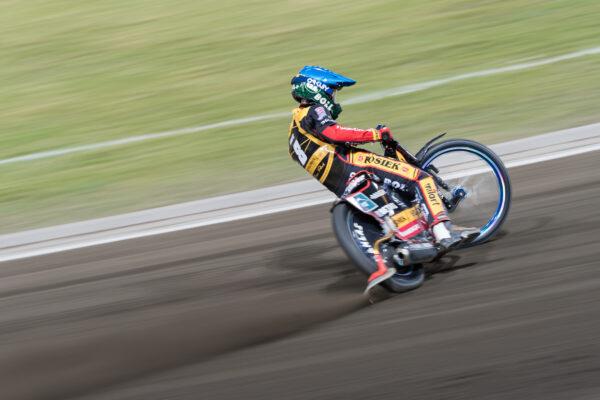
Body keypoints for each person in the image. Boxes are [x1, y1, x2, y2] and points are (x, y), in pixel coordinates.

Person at [289, 65, 478, 289]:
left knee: (390, 204)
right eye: (332, 92)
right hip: (358, 165)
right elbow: (334, 133)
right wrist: (375, 134)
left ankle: (403, 245)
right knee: (421, 178)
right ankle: (443, 231)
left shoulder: (295, 132)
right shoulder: (314, 110)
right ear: (316, 89)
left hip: (342, 185)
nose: (333, 98)